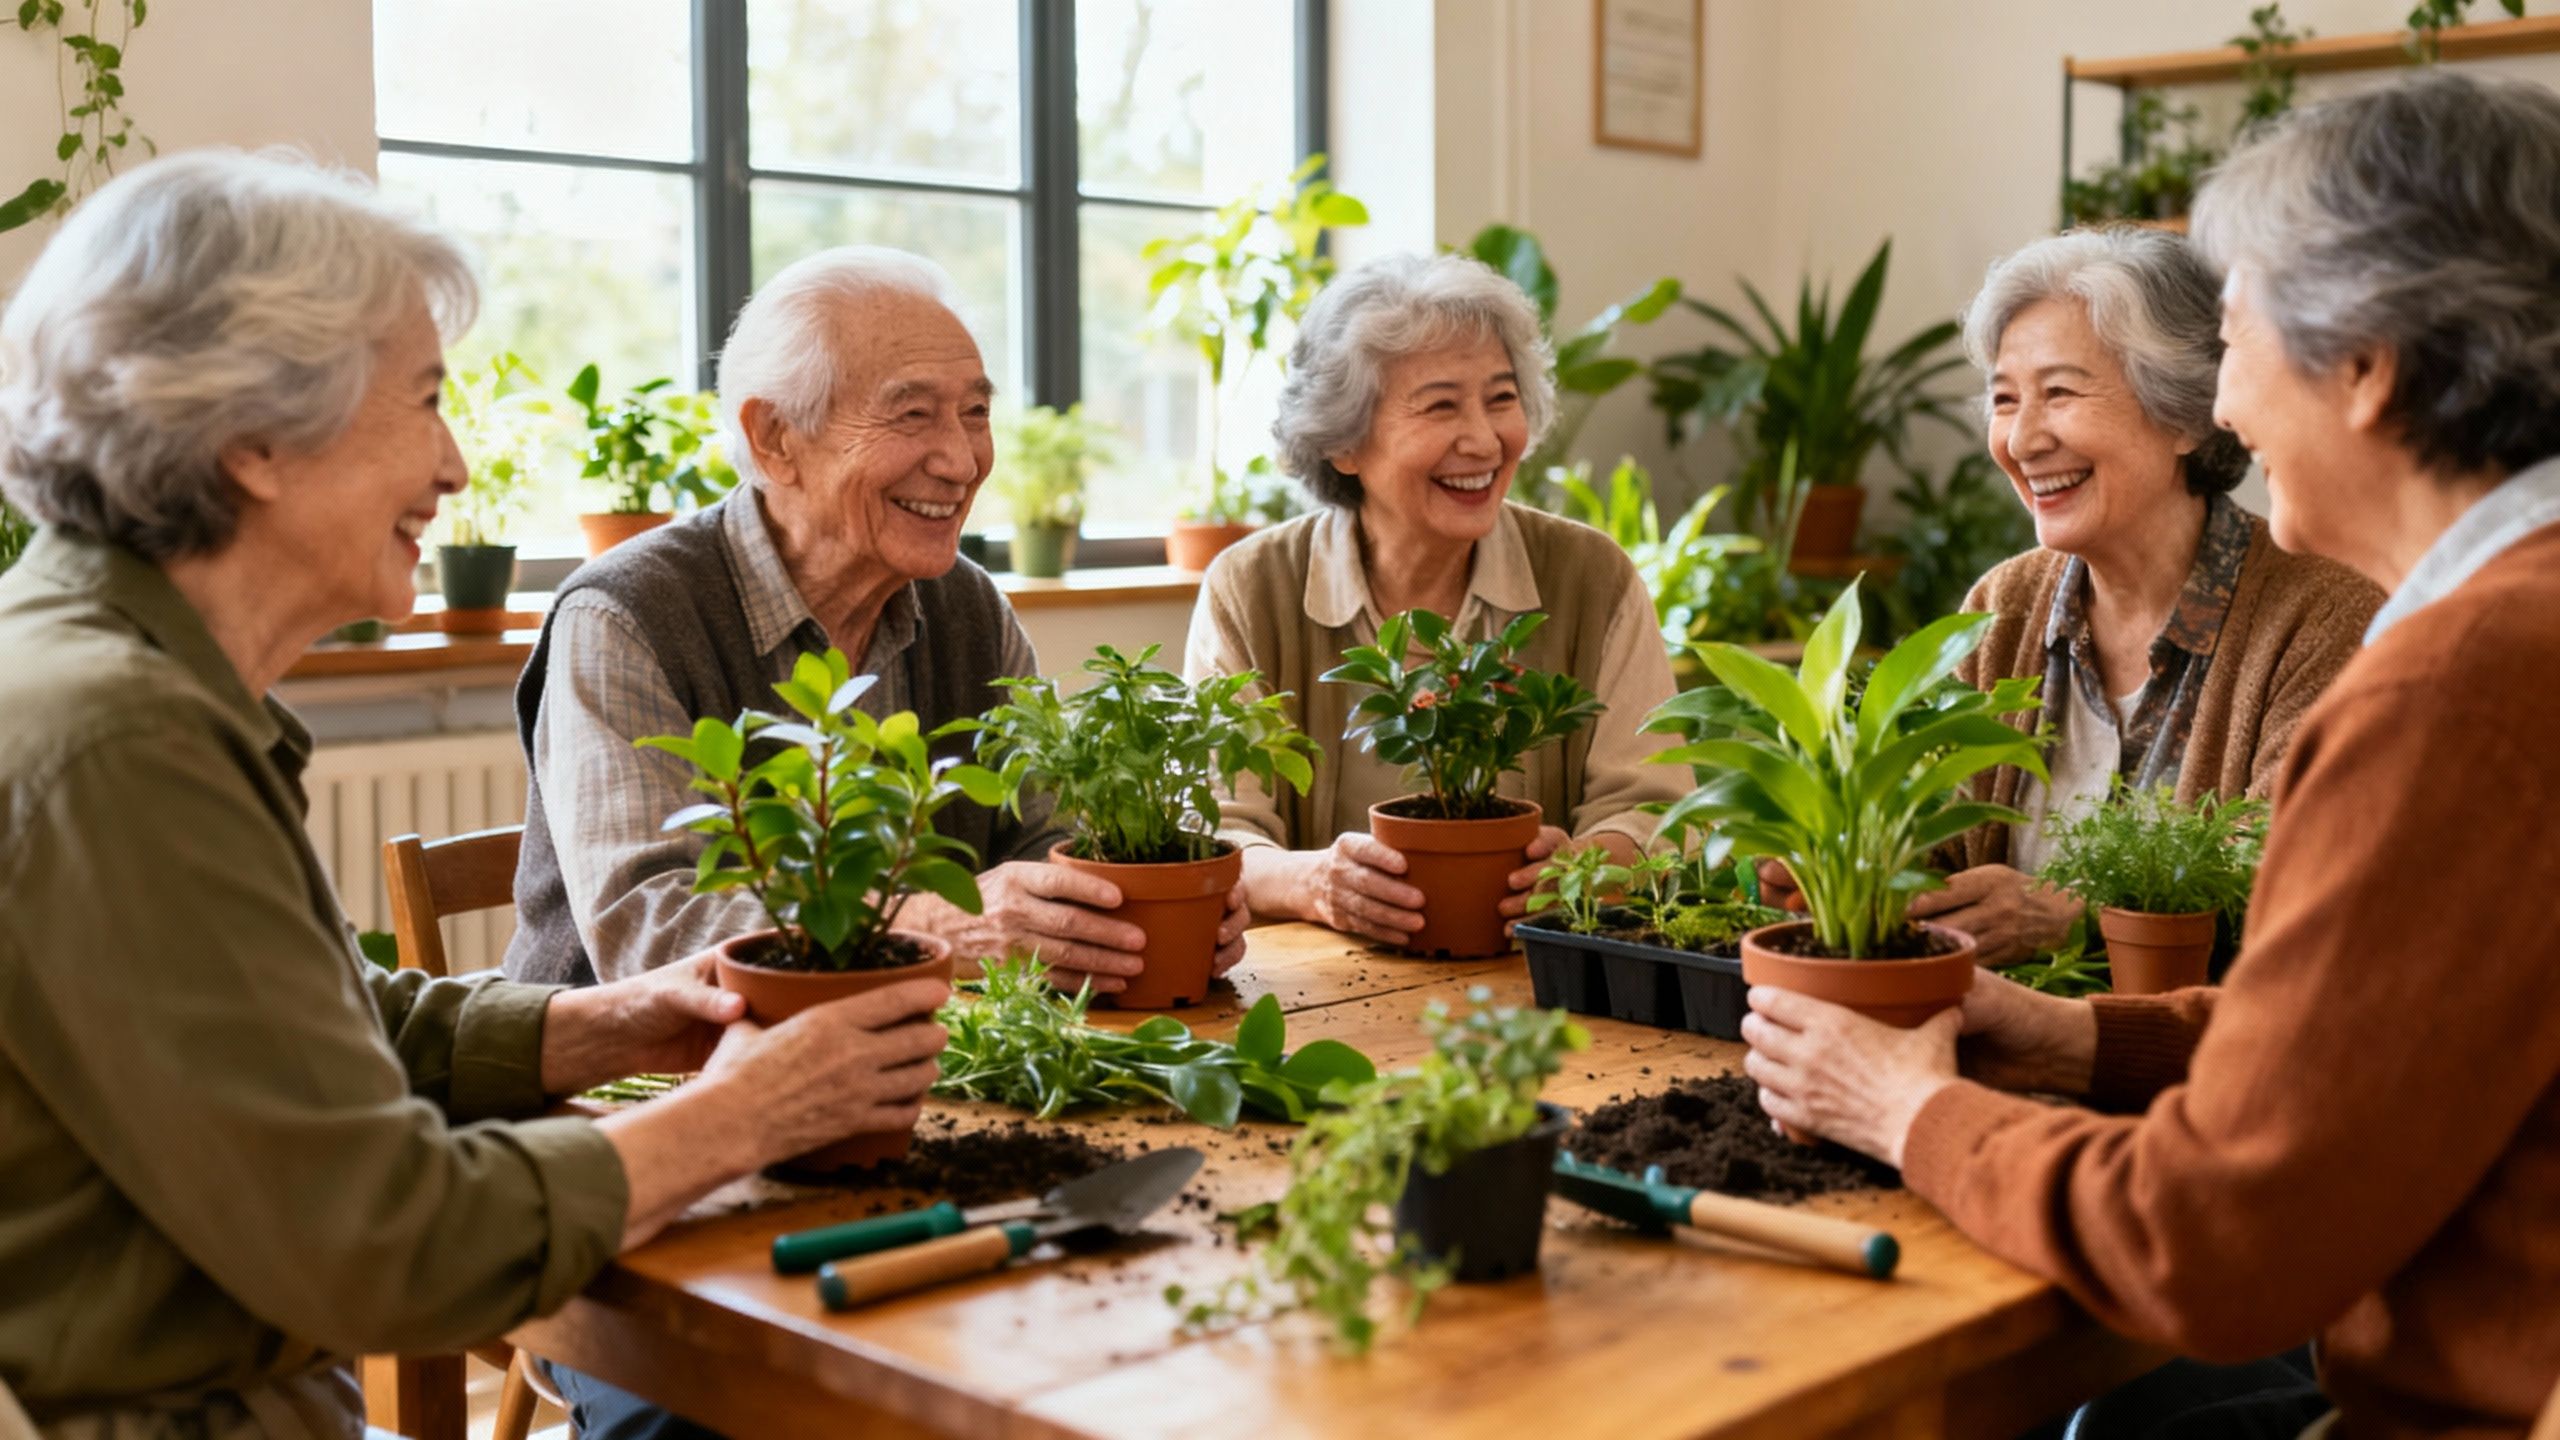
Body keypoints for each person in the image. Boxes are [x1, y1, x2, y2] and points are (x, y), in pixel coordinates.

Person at [0, 152, 948, 1439]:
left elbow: (312, 1023)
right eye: (425, 400)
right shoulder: (119, 740)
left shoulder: (112, 678)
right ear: (253, 436)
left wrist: (605, 1028)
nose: (453, 466)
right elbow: (384, 1239)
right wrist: (741, 1117)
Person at [1743, 72, 2560, 1439]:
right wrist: (2066, 1034)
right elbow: (2358, 1044)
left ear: (2368, 368)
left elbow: (2211, 1242)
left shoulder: (2457, 692)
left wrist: (1910, 1111)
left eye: (2234, 346)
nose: (2229, 412)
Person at [501, 246, 1245, 996]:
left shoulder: (967, 606)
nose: (961, 460)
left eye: (976, 412)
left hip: (916, 1056)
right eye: (913, 414)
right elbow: (651, 933)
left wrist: (1148, 899)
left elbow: (1049, 836)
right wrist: (930, 930)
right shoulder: (624, 617)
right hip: (635, 1084)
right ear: (775, 438)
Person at [1768, 227, 2380, 964]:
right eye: (2003, 399)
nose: (2022, 440)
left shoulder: (2326, 614)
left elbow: (2300, 886)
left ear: (2185, 414)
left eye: (2059, 393)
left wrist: (2075, 916)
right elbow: (1939, 845)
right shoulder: (2005, 605)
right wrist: (1853, 876)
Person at [1183, 252, 1688, 946]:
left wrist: (1580, 865)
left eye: (1502, 399)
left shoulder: (1590, 577)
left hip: (1534, 981)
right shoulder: (1251, 588)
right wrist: (1313, 883)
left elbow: (1656, 811)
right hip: (1317, 991)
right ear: (1345, 443)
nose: (1483, 440)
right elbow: (1218, 829)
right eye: (1441, 405)